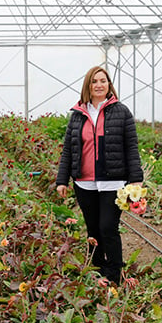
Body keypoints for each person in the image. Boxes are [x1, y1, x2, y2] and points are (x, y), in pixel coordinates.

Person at [55, 66, 143, 285]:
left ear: (109, 84)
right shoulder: (78, 115)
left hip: (113, 181)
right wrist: (62, 180)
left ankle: (114, 275)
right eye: (94, 81)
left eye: (103, 81)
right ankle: (96, 272)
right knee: (93, 229)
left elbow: (131, 147)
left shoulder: (121, 112)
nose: (99, 85)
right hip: (84, 183)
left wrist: (136, 179)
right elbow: (69, 149)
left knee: (108, 227)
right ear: (88, 86)